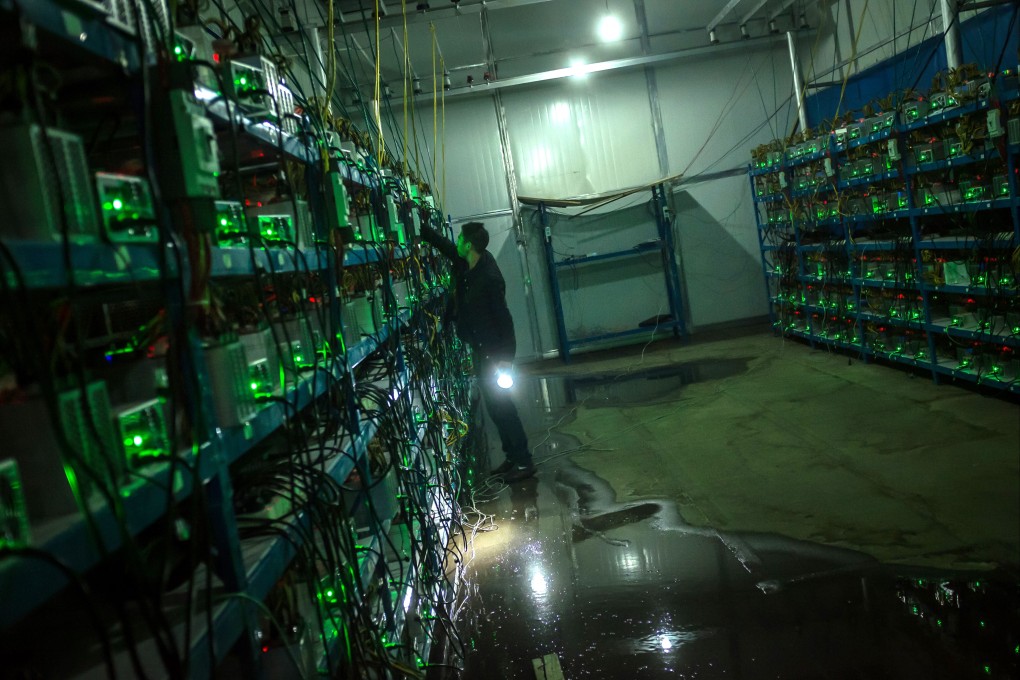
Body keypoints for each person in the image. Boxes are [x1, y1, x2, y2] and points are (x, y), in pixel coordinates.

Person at [418, 220, 535, 482]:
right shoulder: (468, 262)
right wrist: (423, 230)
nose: (457, 241)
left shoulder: (489, 279)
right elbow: (449, 248)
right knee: (494, 409)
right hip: (480, 350)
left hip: (495, 353)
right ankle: (512, 456)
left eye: (460, 239)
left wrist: (506, 361)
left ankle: (525, 460)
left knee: (504, 408)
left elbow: (505, 321)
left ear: (469, 245)